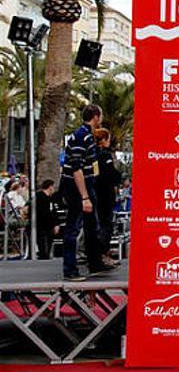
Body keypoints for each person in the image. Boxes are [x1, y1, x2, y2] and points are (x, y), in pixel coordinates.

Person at [61, 104, 114, 281]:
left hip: (86, 186)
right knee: (73, 227)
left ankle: (95, 263)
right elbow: (76, 168)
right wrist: (84, 196)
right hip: (77, 188)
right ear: (96, 116)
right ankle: (69, 269)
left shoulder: (88, 137)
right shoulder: (81, 136)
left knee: (92, 226)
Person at [93, 128, 121, 266]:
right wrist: (117, 177)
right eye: (108, 139)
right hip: (105, 194)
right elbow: (110, 174)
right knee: (106, 225)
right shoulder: (105, 156)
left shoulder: (92, 155)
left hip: (96, 194)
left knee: (99, 225)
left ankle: (98, 254)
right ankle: (103, 254)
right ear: (103, 140)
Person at [35, 180, 59, 259]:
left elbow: (54, 211)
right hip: (41, 224)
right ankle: (43, 254)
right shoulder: (39, 197)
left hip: (50, 224)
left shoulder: (51, 198)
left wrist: (56, 224)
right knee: (42, 241)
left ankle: (47, 254)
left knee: (49, 240)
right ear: (50, 187)